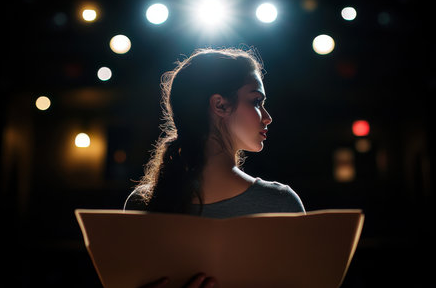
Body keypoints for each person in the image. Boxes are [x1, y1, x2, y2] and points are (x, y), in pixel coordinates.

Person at [124, 47, 305, 288]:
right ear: (219, 105)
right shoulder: (280, 204)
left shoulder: (143, 203)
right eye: (256, 101)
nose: (267, 116)